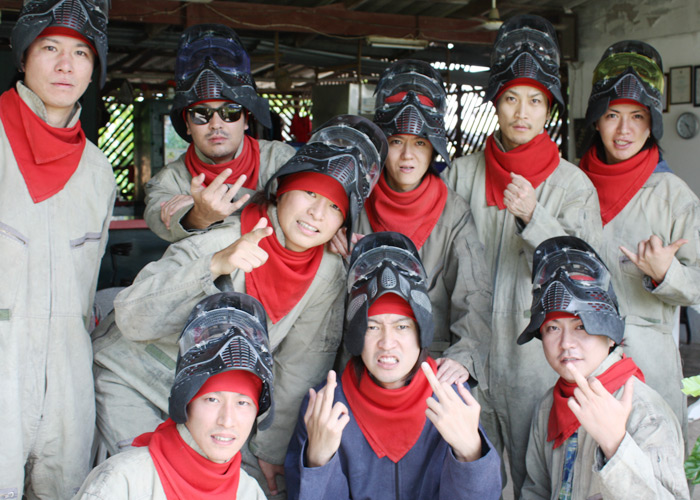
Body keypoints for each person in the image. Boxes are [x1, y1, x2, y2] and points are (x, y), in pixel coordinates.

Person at [91, 114, 387, 499]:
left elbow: (300, 363)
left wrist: (269, 449)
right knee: (152, 482)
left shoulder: (326, 272)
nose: (317, 213)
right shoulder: (226, 235)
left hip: (217, 404)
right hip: (135, 380)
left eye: (334, 206)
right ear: (280, 190)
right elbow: (132, 316)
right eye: (309, 193)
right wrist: (215, 264)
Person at [443, 14, 602, 497]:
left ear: (549, 108)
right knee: (474, 477)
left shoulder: (573, 185)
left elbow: (587, 276)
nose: (522, 112)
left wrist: (537, 218)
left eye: (535, 100)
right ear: (495, 101)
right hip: (469, 358)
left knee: (538, 480)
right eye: (511, 98)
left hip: (537, 363)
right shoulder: (461, 175)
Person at [285, 232, 502, 499]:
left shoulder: (452, 400)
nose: (387, 343)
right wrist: (318, 461)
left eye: (402, 327)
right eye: (372, 327)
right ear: (356, 333)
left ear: (422, 331)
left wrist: (471, 454)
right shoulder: (325, 408)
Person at [0, 0, 116, 497]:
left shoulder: (98, 171)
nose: (66, 65)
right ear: (24, 57)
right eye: (50, 48)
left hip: (70, 370)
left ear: (94, 71)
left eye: (81, 53)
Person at [333, 59, 492, 387]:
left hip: (431, 368)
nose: (408, 155)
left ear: (434, 149)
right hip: (361, 362)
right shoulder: (353, 201)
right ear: (381, 146)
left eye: (420, 142)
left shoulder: (453, 212)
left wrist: (464, 356)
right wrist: (335, 256)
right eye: (396, 141)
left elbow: (474, 294)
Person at [578, 40, 700, 437]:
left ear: (652, 124)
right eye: (612, 115)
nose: (624, 130)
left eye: (637, 116)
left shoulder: (674, 197)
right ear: (596, 120)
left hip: (650, 368)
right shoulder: (571, 186)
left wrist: (666, 274)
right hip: (577, 364)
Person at [518, 236, 689, 499]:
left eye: (581, 326)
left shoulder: (646, 413)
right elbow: (536, 491)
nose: (566, 343)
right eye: (553, 328)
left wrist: (615, 444)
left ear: (611, 336)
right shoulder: (548, 406)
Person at [76, 292, 272, 499]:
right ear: (186, 404)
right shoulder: (122, 481)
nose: (227, 420)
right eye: (212, 399)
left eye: (243, 402)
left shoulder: (250, 492)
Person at [144, 24, 295, 242]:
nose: (216, 124)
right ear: (187, 124)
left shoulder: (280, 160)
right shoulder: (169, 181)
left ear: (246, 120)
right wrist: (198, 216)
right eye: (201, 114)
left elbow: (312, 204)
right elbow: (157, 215)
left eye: (230, 112)